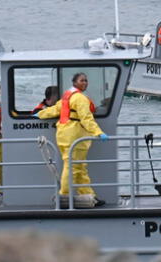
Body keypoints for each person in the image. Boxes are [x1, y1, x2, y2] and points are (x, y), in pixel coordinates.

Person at [35, 72, 108, 207]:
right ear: (75, 82)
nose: (85, 83)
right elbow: (86, 118)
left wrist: (39, 114)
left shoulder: (67, 96)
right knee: (73, 167)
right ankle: (64, 196)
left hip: (64, 134)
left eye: (86, 80)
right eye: (82, 80)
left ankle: (89, 195)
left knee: (79, 167)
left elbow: (54, 110)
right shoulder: (80, 98)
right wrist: (98, 132)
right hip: (75, 135)